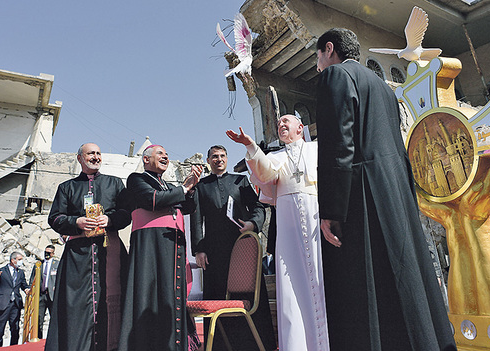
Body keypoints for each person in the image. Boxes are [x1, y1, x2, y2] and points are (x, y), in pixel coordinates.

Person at [315, 28, 456, 350]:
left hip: (362, 194)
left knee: (366, 288)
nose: (318, 64)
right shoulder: (382, 86)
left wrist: (332, 210)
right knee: (405, 279)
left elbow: (339, 144)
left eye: (318, 57)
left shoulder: (335, 75)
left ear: (329, 49)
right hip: (394, 192)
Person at [227, 115, 330, 351]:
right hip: (288, 223)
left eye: (286, 121)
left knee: (322, 277)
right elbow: (264, 175)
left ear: (299, 128)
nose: (281, 125)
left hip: (316, 217)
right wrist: (250, 145)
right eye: (278, 123)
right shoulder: (275, 156)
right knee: (290, 285)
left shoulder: (317, 149)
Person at [46, 143, 130, 351]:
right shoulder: (67, 187)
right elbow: (55, 219)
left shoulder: (115, 183)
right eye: (91, 153)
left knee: (110, 301)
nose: (95, 157)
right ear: (79, 158)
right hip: (77, 257)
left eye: (98, 153)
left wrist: (108, 220)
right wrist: (77, 222)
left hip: (109, 252)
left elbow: (127, 213)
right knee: (75, 305)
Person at [190, 145, 276, 350]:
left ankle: (255, 344)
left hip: (243, 248)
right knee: (217, 295)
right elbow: (196, 219)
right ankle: (221, 346)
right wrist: (199, 249)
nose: (219, 160)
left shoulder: (240, 181)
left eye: (222, 156)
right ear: (208, 161)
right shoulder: (201, 186)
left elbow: (258, 207)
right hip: (214, 252)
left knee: (246, 295)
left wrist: (252, 224)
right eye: (214, 157)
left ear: (227, 159)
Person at [118, 145, 202, 351]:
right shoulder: (137, 179)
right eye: (160, 154)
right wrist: (183, 188)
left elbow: (188, 207)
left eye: (166, 154)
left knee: (170, 294)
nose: (165, 156)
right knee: (149, 295)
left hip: (171, 246)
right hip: (150, 246)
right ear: (146, 159)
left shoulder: (166, 185)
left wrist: (190, 188)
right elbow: (153, 200)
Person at [0, 252, 29, 347]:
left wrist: (27, 289)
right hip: (3, 303)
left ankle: (13, 347)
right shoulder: (2, 270)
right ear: (13, 260)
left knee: (15, 328)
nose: (21, 262)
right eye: (19, 259)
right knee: (0, 329)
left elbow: (23, 284)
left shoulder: (20, 272)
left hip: (15, 304)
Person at [29, 245, 59, 339]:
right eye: (45, 252)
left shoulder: (57, 264)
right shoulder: (38, 265)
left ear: (53, 254)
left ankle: (54, 339)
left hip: (52, 295)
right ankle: (38, 338)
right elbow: (32, 280)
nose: (47, 254)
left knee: (54, 318)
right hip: (40, 295)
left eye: (49, 253)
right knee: (38, 319)